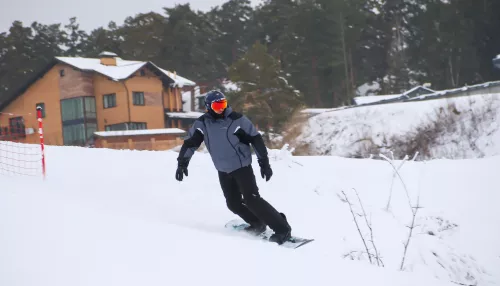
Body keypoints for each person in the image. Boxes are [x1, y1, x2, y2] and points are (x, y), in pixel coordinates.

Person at [175, 90, 292, 244]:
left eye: (223, 104)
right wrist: (182, 163)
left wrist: (264, 163)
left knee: (252, 200)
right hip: (223, 169)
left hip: (241, 167)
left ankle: (283, 229)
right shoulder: (202, 123)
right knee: (233, 203)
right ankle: (257, 223)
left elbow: (256, 139)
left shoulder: (237, 120)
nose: (221, 109)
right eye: (217, 106)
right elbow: (190, 143)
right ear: (208, 107)